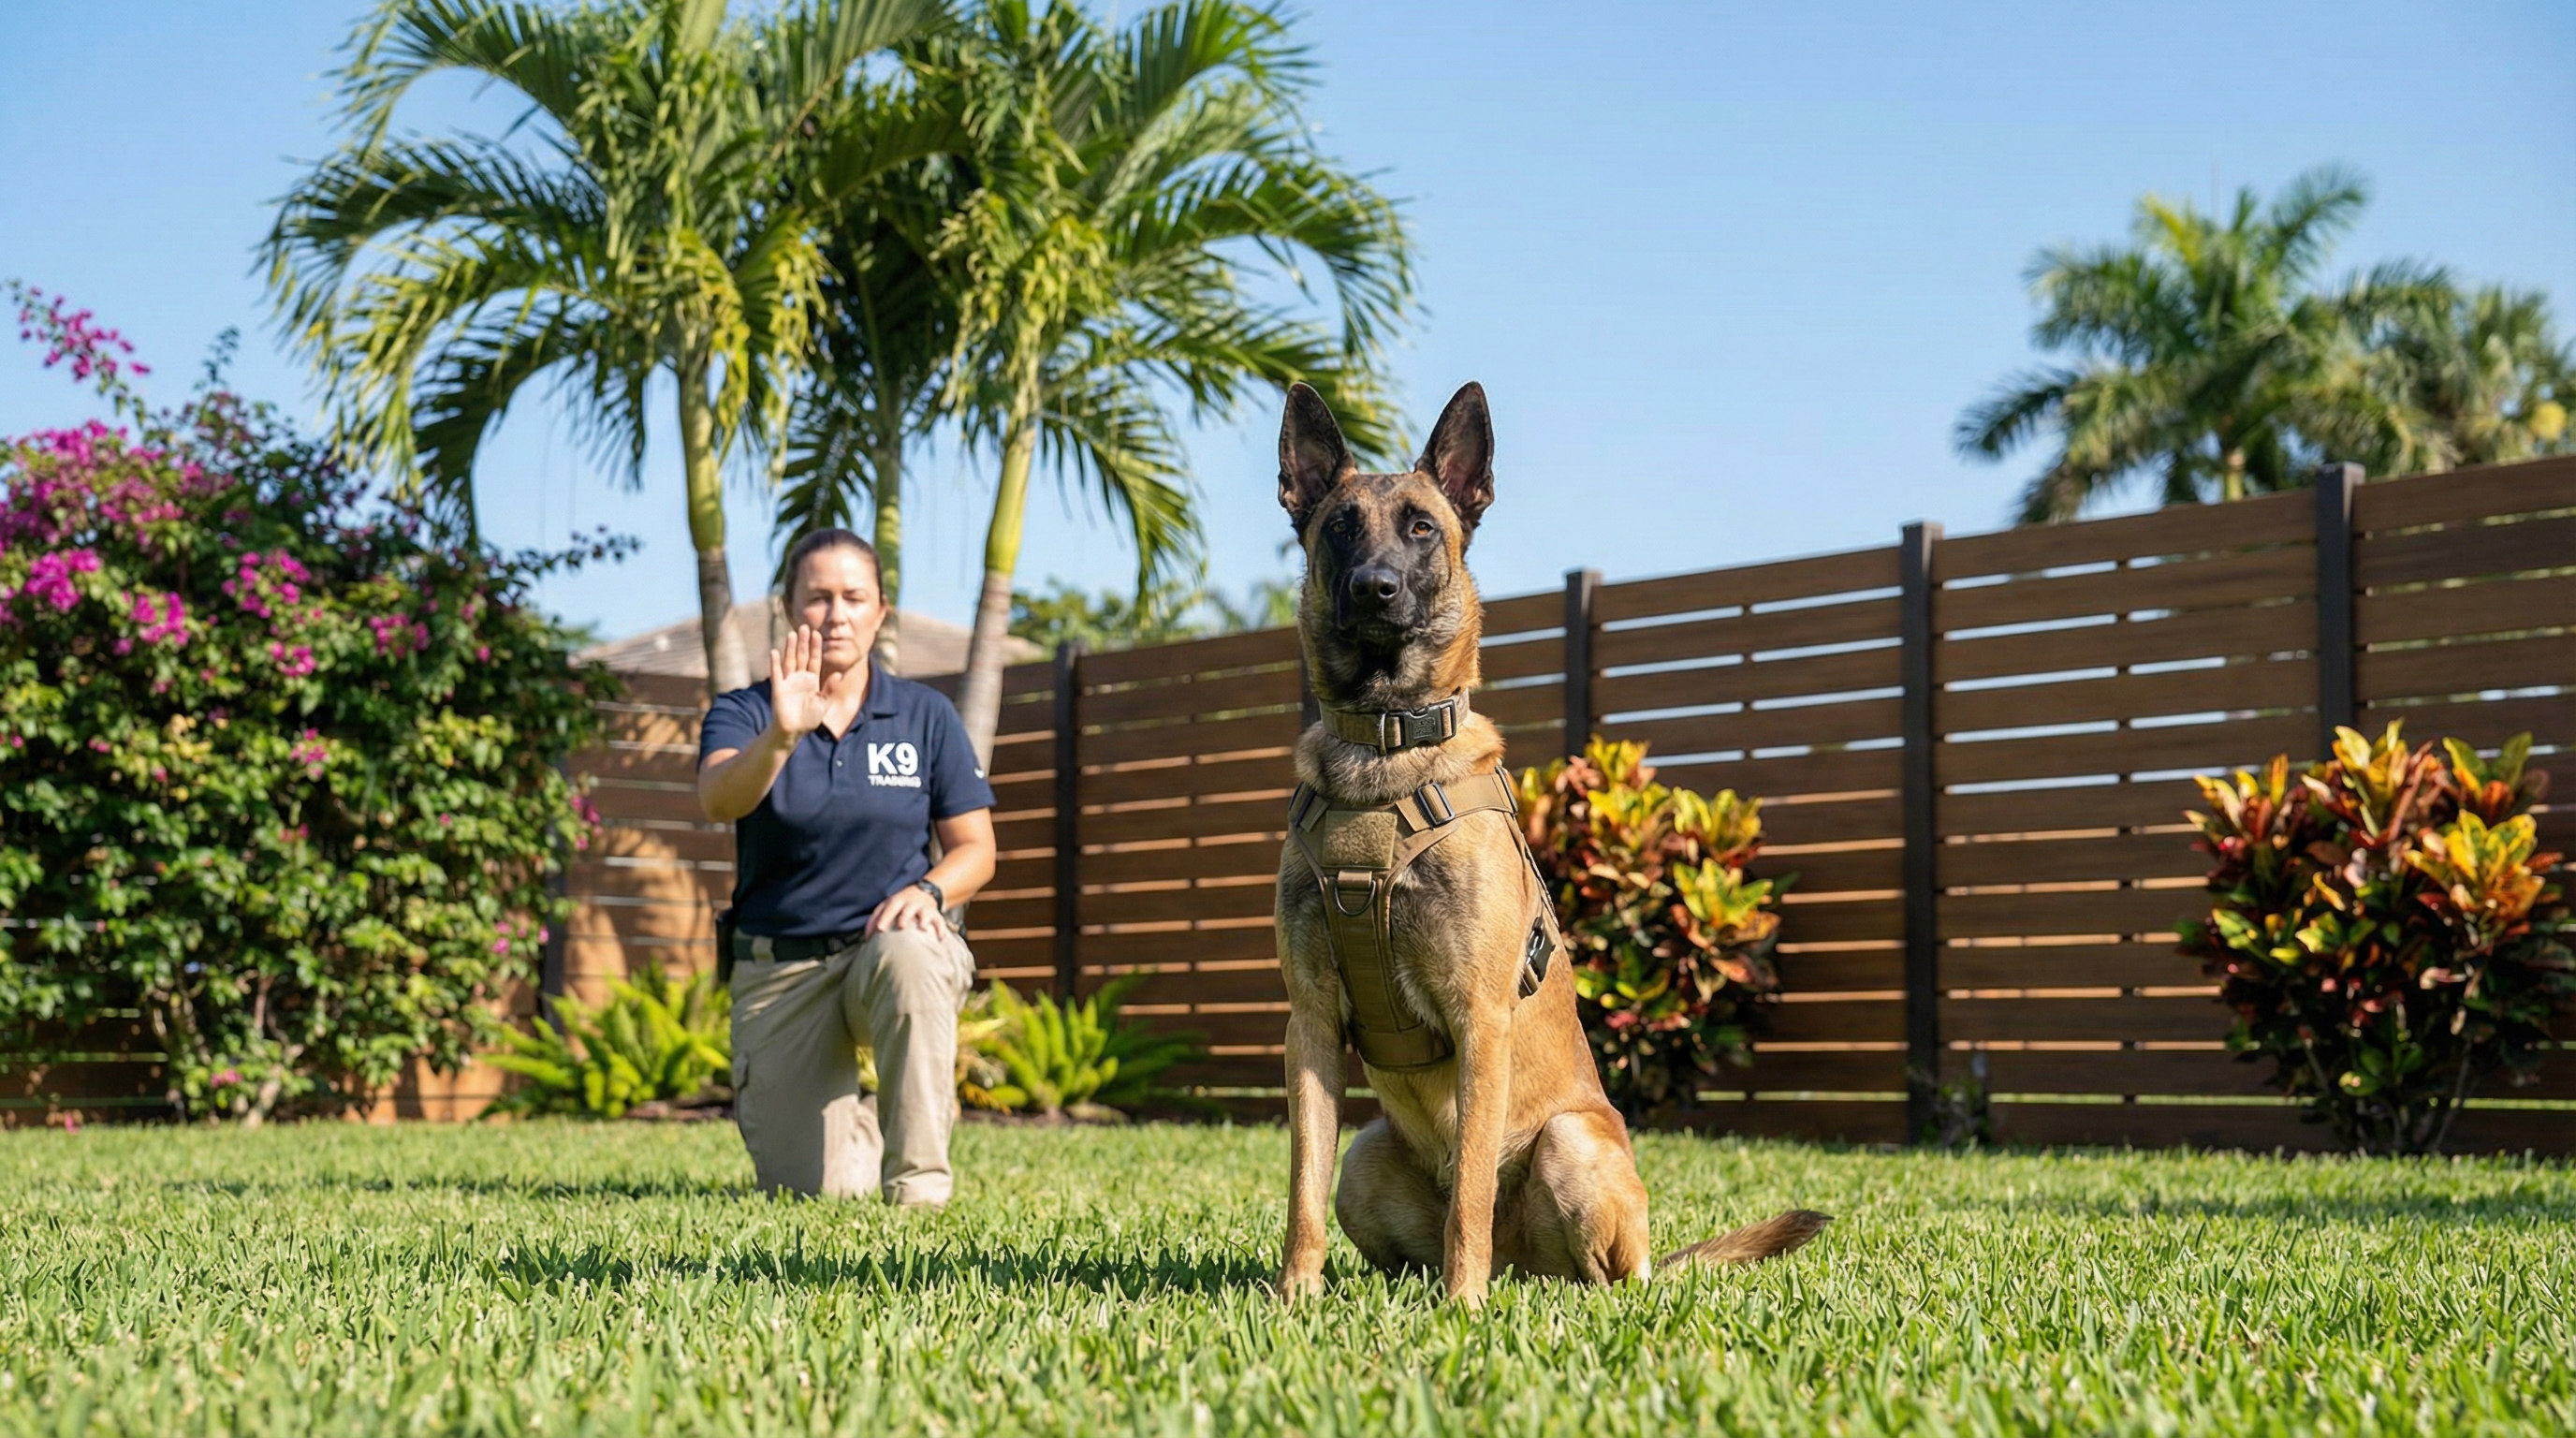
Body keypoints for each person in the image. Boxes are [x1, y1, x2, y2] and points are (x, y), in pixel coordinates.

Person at [695, 529, 997, 1207]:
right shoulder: (745, 711)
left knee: (914, 953)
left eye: (854, 598)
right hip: (782, 970)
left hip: (883, 955)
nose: (836, 615)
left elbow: (977, 849)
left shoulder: (926, 715)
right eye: (819, 597)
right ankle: (862, 1122)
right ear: (787, 608)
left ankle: (919, 1189)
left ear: (881, 611)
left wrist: (930, 890)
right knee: (814, 1192)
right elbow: (719, 799)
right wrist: (782, 734)